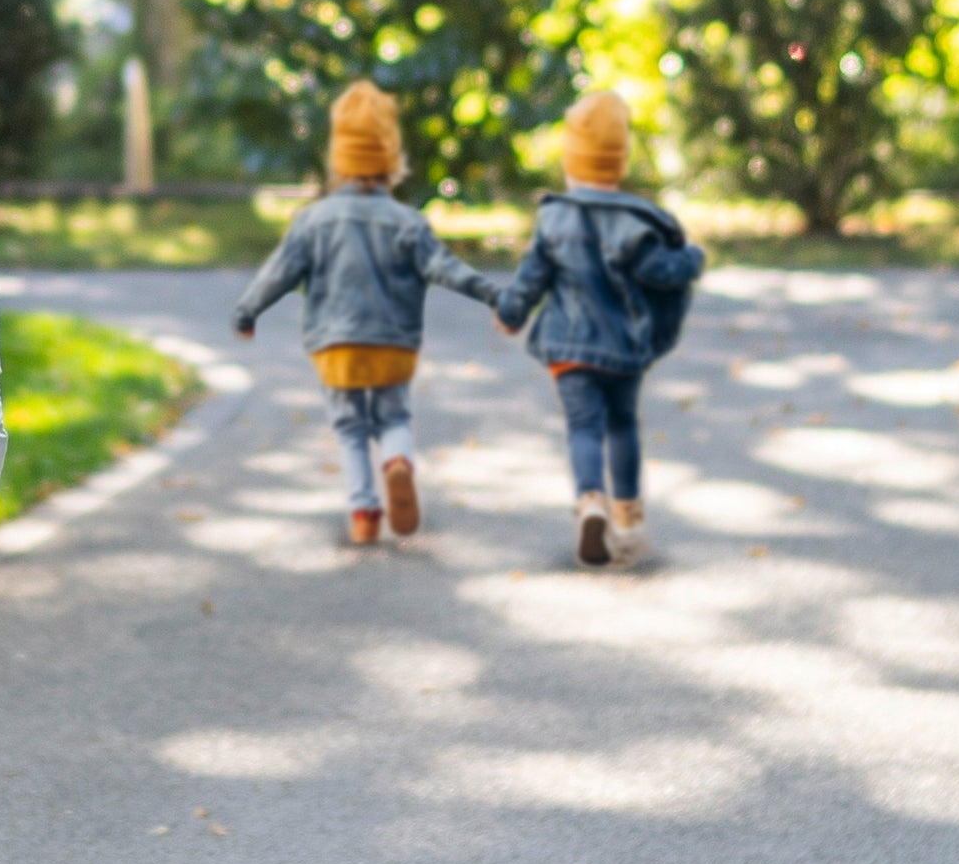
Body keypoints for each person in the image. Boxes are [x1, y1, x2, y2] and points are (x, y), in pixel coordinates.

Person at [232, 81, 496, 546]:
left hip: (337, 348)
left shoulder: (313, 220)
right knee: (394, 417)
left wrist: (248, 311)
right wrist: (495, 294)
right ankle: (397, 461)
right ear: (391, 159)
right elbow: (446, 269)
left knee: (350, 427)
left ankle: (364, 514)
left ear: (339, 158)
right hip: (394, 345)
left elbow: (279, 272)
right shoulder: (408, 222)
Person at [489, 90, 704, 565]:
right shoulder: (636, 224)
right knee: (623, 425)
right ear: (620, 161)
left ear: (571, 160)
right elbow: (661, 274)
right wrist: (692, 259)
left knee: (583, 427)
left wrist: (510, 314)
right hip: (624, 348)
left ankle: (590, 500)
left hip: (569, 349)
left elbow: (531, 280)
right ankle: (628, 519)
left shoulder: (553, 217)